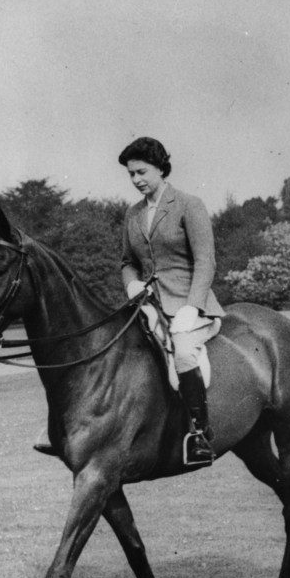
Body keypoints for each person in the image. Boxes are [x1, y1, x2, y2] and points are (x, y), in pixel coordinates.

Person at [118, 136, 224, 466]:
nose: (136, 180)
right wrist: (132, 283)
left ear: (161, 169)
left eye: (142, 172)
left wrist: (192, 307)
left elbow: (206, 260)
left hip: (190, 304)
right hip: (148, 303)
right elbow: (126, 261)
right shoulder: (132, 214)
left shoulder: (188, 204)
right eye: (131, 174)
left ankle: (201, 435)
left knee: (183, 351)